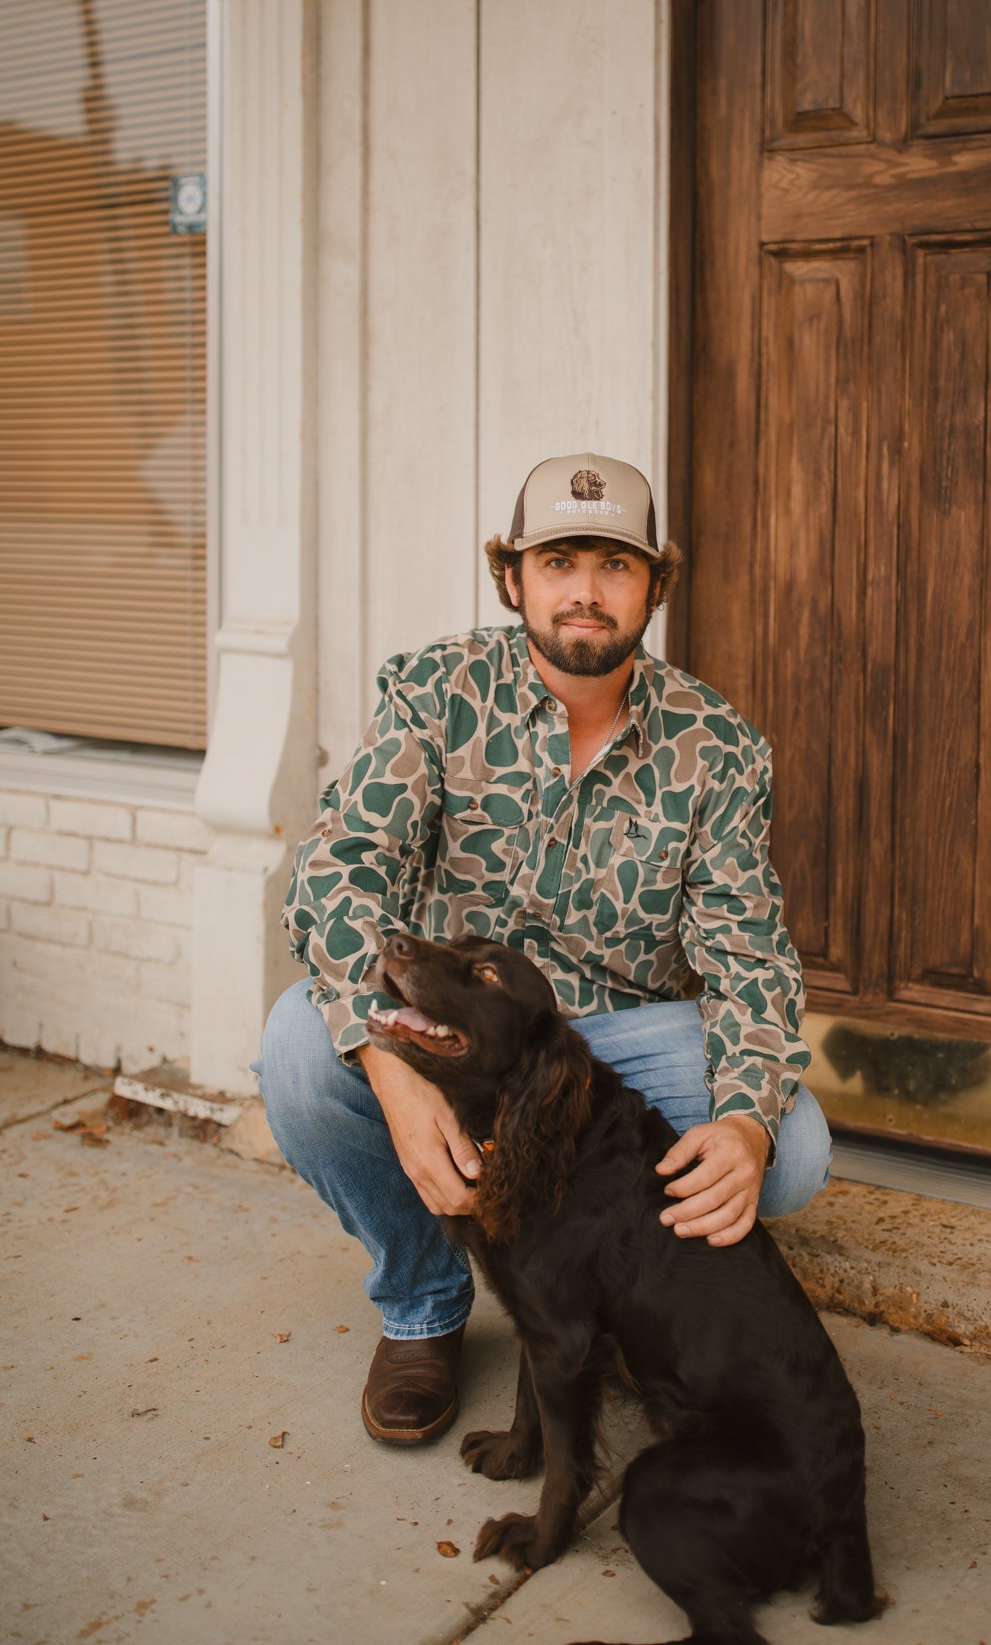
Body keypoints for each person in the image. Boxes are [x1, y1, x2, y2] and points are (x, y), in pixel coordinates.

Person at [257, 452, 830, 1447]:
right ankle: (423, 1306)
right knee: (302, 1053)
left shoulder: (718, 745)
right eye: (559, 559)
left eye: (616, 564)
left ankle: (589, 1303)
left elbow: (750, 956)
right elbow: (335, 873)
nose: (586, 592)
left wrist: (745, 1121)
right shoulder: (435, 693)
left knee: (793, 1148)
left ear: (656, 585)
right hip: (460, 1029)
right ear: (512, 576)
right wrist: (391, 1067)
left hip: (616, 1043)